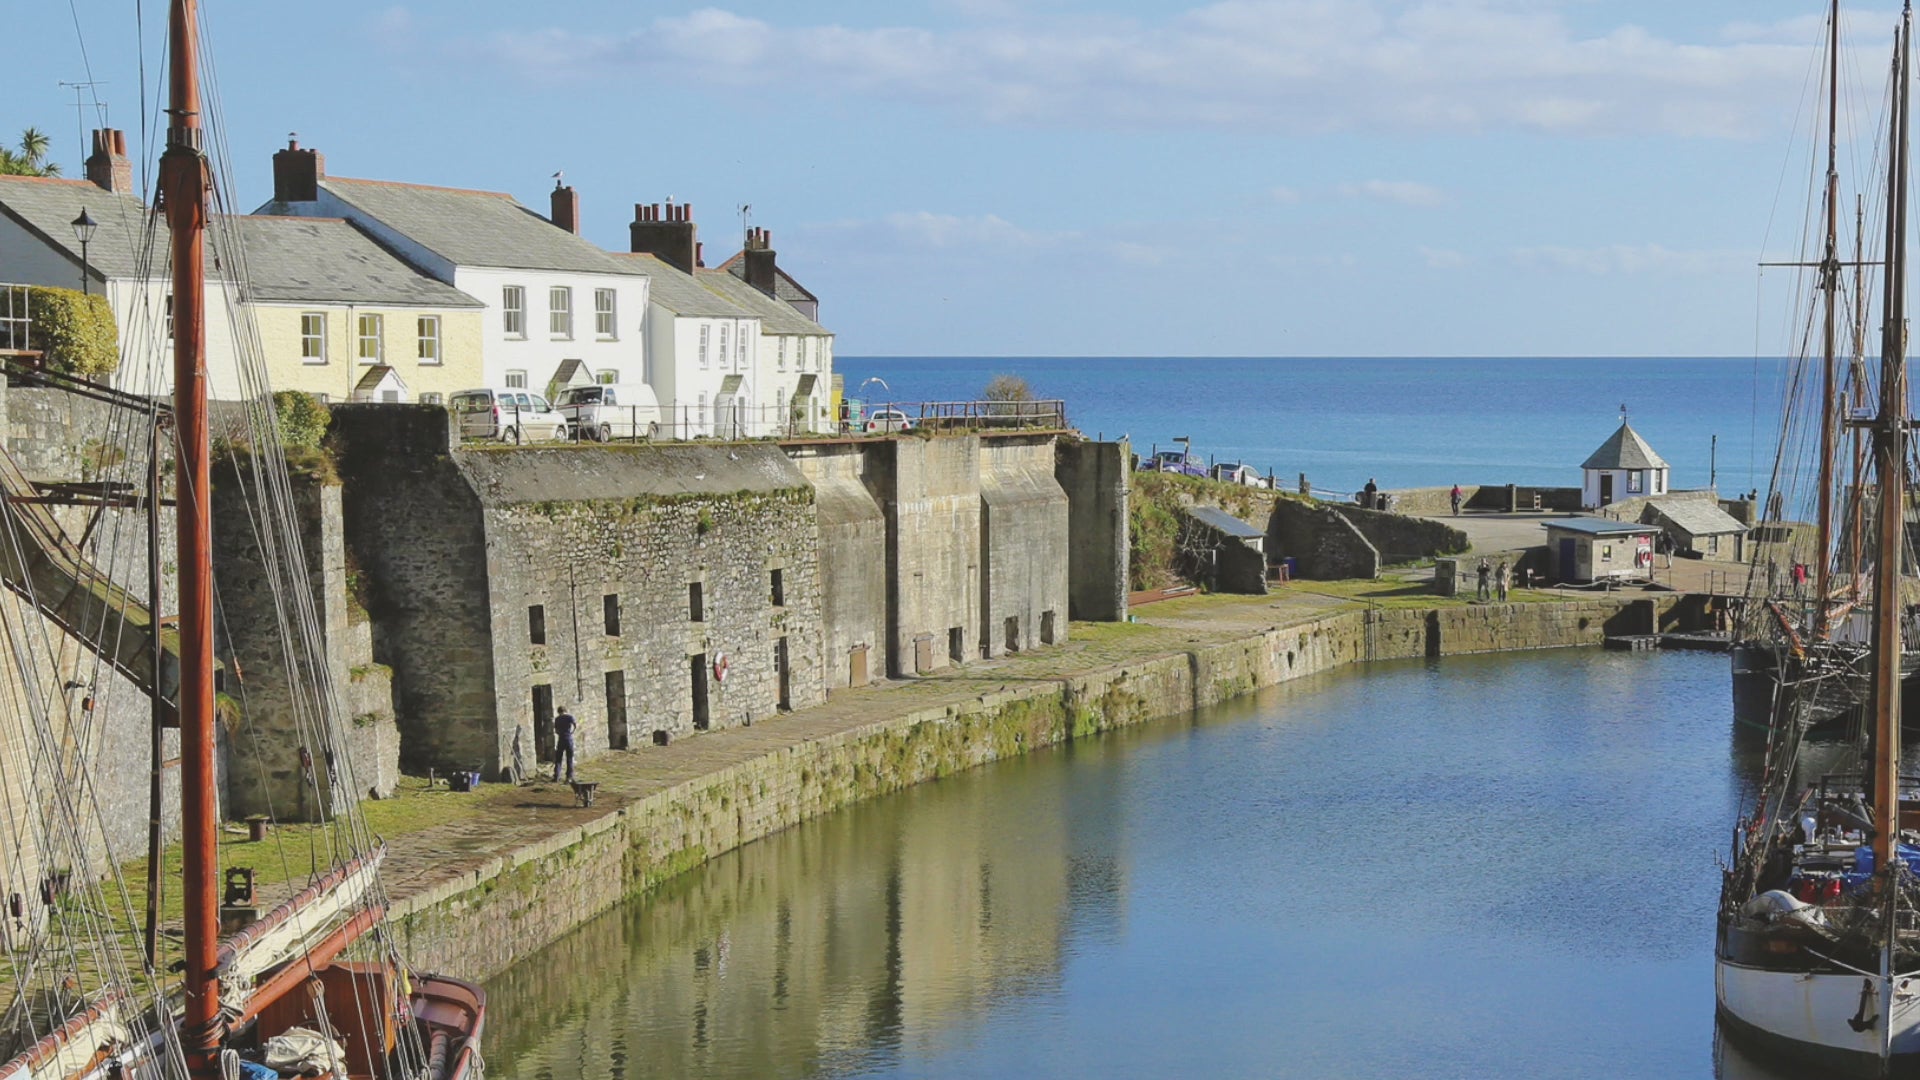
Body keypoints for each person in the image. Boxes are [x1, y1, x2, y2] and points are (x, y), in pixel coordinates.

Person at [552, 705, 578, 783]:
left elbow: (556, 731)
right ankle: (569, 777)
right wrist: (571, 732)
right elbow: (575, 725)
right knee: (569, 758)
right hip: (568, 739)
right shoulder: (569, 717)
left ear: (558, 711)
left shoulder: (557, 719)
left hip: (561, 739)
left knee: (558, 759)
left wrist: (560, 733)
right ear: (565, 710)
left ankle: (557, 776)